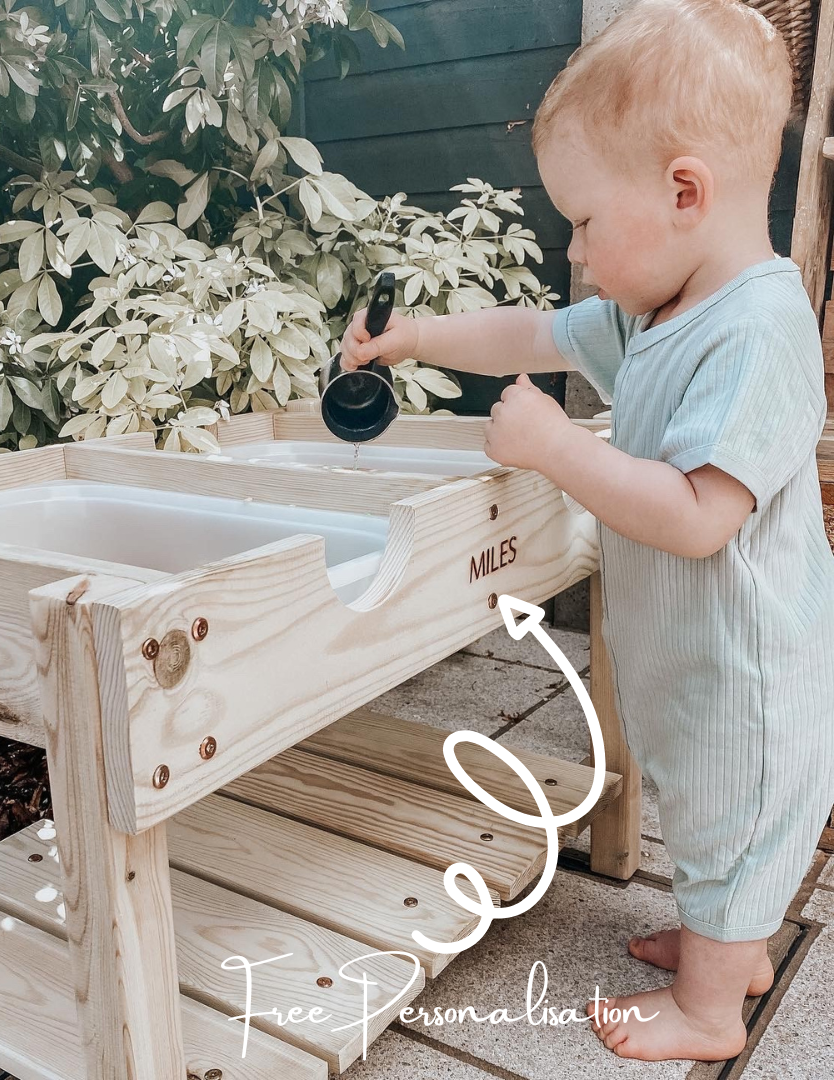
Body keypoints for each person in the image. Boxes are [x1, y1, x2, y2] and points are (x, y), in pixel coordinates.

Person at [340, 0, 834, 1062]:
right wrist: (411, 337)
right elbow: (530, 331)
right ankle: (731, 943)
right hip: (697, 663)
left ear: (685, 193)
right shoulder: (655, 312)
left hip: (752, 678)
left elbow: (699, 518)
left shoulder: (758, 330)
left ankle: (711, 1008)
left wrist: (559, 447)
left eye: (587, 220)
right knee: (704, 821)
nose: (575, 247)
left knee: (735, 820)